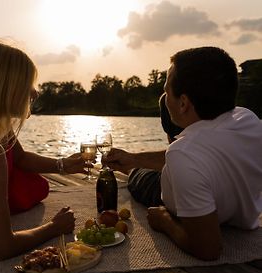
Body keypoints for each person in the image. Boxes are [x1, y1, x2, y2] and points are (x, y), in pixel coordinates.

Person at [105, 46, 262, 261]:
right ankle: (132, 161)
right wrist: (133, 157)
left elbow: (208, 248)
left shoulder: (183, 154)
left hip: (165, 189)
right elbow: (198, 152)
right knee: (165, 157)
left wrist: (164, 221)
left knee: (139, 177)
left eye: (167, 90)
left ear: (183, 102)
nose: (165, 97)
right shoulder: (249, 120)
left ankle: (131, 169)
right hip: (199, 175)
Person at [0, 40, 89, 260]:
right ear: (6, 88)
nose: (35, 92)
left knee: (33, 184)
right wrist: (53, 227)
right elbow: (2, 248)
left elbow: (19, 157)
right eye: (28, 83)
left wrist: (62, 165)